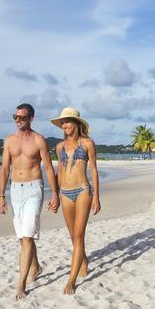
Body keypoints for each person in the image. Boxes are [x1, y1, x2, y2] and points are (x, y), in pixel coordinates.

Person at [0, 103, 60, 299]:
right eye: (15, 117)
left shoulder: (39, 140)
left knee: (27, 237)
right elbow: (5, 169)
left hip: (34, 188)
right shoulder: (9, 141)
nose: (18, 120)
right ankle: (36, 266)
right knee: (22, 238)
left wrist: (55, 194)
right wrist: (1, 196)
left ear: (31, 118)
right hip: (15, 190)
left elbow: (49, 168)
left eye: (22, 117)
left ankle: (21, 285)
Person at [51, 107, 100, 295]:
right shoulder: (59, 147)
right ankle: (83, 260)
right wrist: (54, 195)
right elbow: (60, 172)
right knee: (73, 236)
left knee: (79, 236)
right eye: (62, 123)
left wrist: (96, 196)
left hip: (82, 192)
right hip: (65, 193)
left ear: (77, 123)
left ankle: (71, 281)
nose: (64, 125)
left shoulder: (88, 143)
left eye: (67, 121)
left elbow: (94, 170)